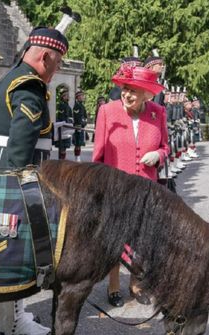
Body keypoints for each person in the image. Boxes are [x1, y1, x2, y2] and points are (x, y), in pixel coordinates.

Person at [0, 25, 70, 335]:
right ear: (44, 56)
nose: (57, 69)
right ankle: (14, 324)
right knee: (18, 251)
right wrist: (25, 190)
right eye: (57, 63)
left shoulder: (12, 76)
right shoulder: (30, 86)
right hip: (15, 177)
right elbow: (21, 144)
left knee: (8, 247)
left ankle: (13, 317)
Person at [93, 64, 169, 307]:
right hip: (116, 189)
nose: (126, 95)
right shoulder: (107, 111)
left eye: (133, 91)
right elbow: (98, 155)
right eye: (125, 89)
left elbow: (165, 146)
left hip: (147, 190)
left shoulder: (158, 113)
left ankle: (135, 283)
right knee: (115, 239)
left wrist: (159, 155)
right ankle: (113, 284)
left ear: (147, 93)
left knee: (142, 239)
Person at [55, 87, 73, 159]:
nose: (68, 97)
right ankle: (61, 161)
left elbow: (70, 117)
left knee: (65, 146)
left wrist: (70, 122)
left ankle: (62, 160)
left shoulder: (67, 106)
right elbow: (60, 117)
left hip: (67, 126)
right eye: (66, 95)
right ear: (63, 97)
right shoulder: (61, 105)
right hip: (62, 127)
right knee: (62, 146)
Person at [72, 90, 87, 162]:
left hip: (82, 125)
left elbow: (84, 116)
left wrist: (85, 122)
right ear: (77, 97)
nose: (82, 97)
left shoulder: (82, 105)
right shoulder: (76, 106)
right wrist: (80, 123)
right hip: (78, 126)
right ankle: (77, 157)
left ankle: (78, 156)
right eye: (81, 96)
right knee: (77, 142)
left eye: (82, 96)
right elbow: (77, 117)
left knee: (80, 142)